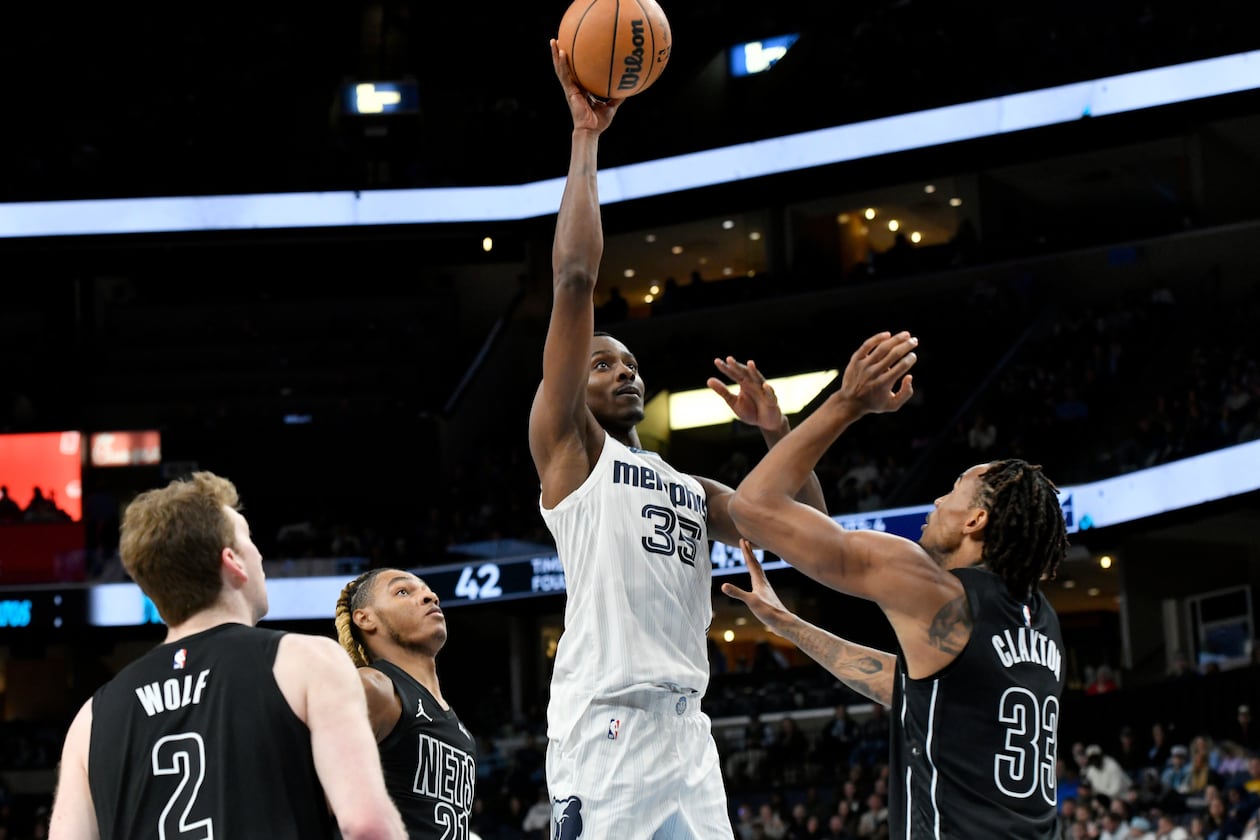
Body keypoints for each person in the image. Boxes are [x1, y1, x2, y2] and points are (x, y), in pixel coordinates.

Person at [526, 39, 827, 839]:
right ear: (570, 386)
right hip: (608, 729)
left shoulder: (690, 488)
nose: (622, 373)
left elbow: (804, 535)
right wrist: (586, 139)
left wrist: (777, 433)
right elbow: (574, 281)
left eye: (629, 365)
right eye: (601, 364)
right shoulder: (572, 454)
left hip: (689, 734)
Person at [722, 330, 1069, 839]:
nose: (937, 501)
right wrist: (790, 626)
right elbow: (908, 688)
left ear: (975, 521)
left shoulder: (935, 588)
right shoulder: (1039, 620)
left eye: (953, 491)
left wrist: (846, 403)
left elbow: (753, 509)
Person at [48, 471, 405, 840]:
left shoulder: (89, 720)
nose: (260, 553)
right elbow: (368, 826)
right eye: (249, 538)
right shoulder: (308, 661)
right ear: (232, 560)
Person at [335, 568, 477, 838]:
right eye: (403, 591)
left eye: (427, 590)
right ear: (365, 618)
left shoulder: (456, 725)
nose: (430, 596)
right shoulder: (373, 687)